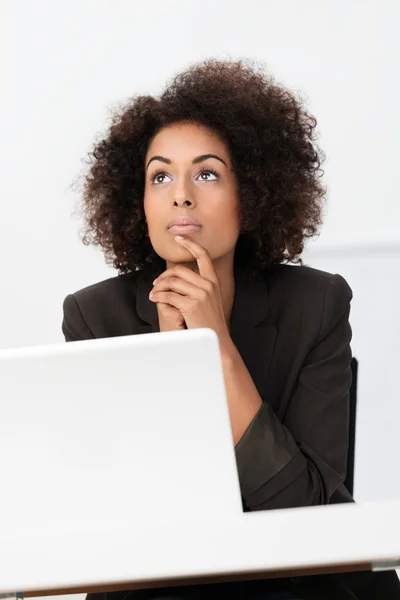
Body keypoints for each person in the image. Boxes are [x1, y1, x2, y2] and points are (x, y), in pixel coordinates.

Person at [62, 57, 400, 599]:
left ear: (255, 192)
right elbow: (130, 520)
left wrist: (217, 348)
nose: (181, 195)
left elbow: (305, 520)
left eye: (208, 172)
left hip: (291, 584)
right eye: (161, 175)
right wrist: (172, 365)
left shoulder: (316, 303)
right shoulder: (94, 317)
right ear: (139, 204)